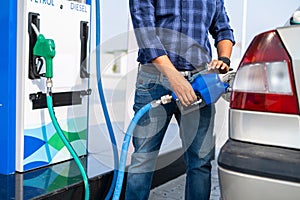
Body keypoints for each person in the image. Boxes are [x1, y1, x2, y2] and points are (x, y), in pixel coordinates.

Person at [125, 0, 235, 199]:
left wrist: (224, 59)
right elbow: (146, 34)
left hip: (200, 82)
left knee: (200, 161)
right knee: (143, 159)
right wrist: (174, 78)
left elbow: (224, 30)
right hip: (154, 81)